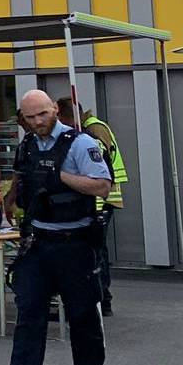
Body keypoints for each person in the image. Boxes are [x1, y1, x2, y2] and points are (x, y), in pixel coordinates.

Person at [0, 89, 112, 365]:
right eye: (30, 118)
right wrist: (12, 199)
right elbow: (23, 178)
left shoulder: (80, 143)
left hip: (75, 242)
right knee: (29, 314)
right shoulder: (27, 145)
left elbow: (102, 185)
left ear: (54, 109)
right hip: (38, 242)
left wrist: (62, 177)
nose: (37, 122)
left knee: (82, 316)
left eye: (42, 114)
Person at [58, 97, 125, 316]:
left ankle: (102, 299)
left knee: (96, 251)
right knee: (95, 250)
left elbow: (96, 167)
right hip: (97, 199)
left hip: (100, 200)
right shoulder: (89, 128)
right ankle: (98, 298)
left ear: (68, 116)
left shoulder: (92, 131)